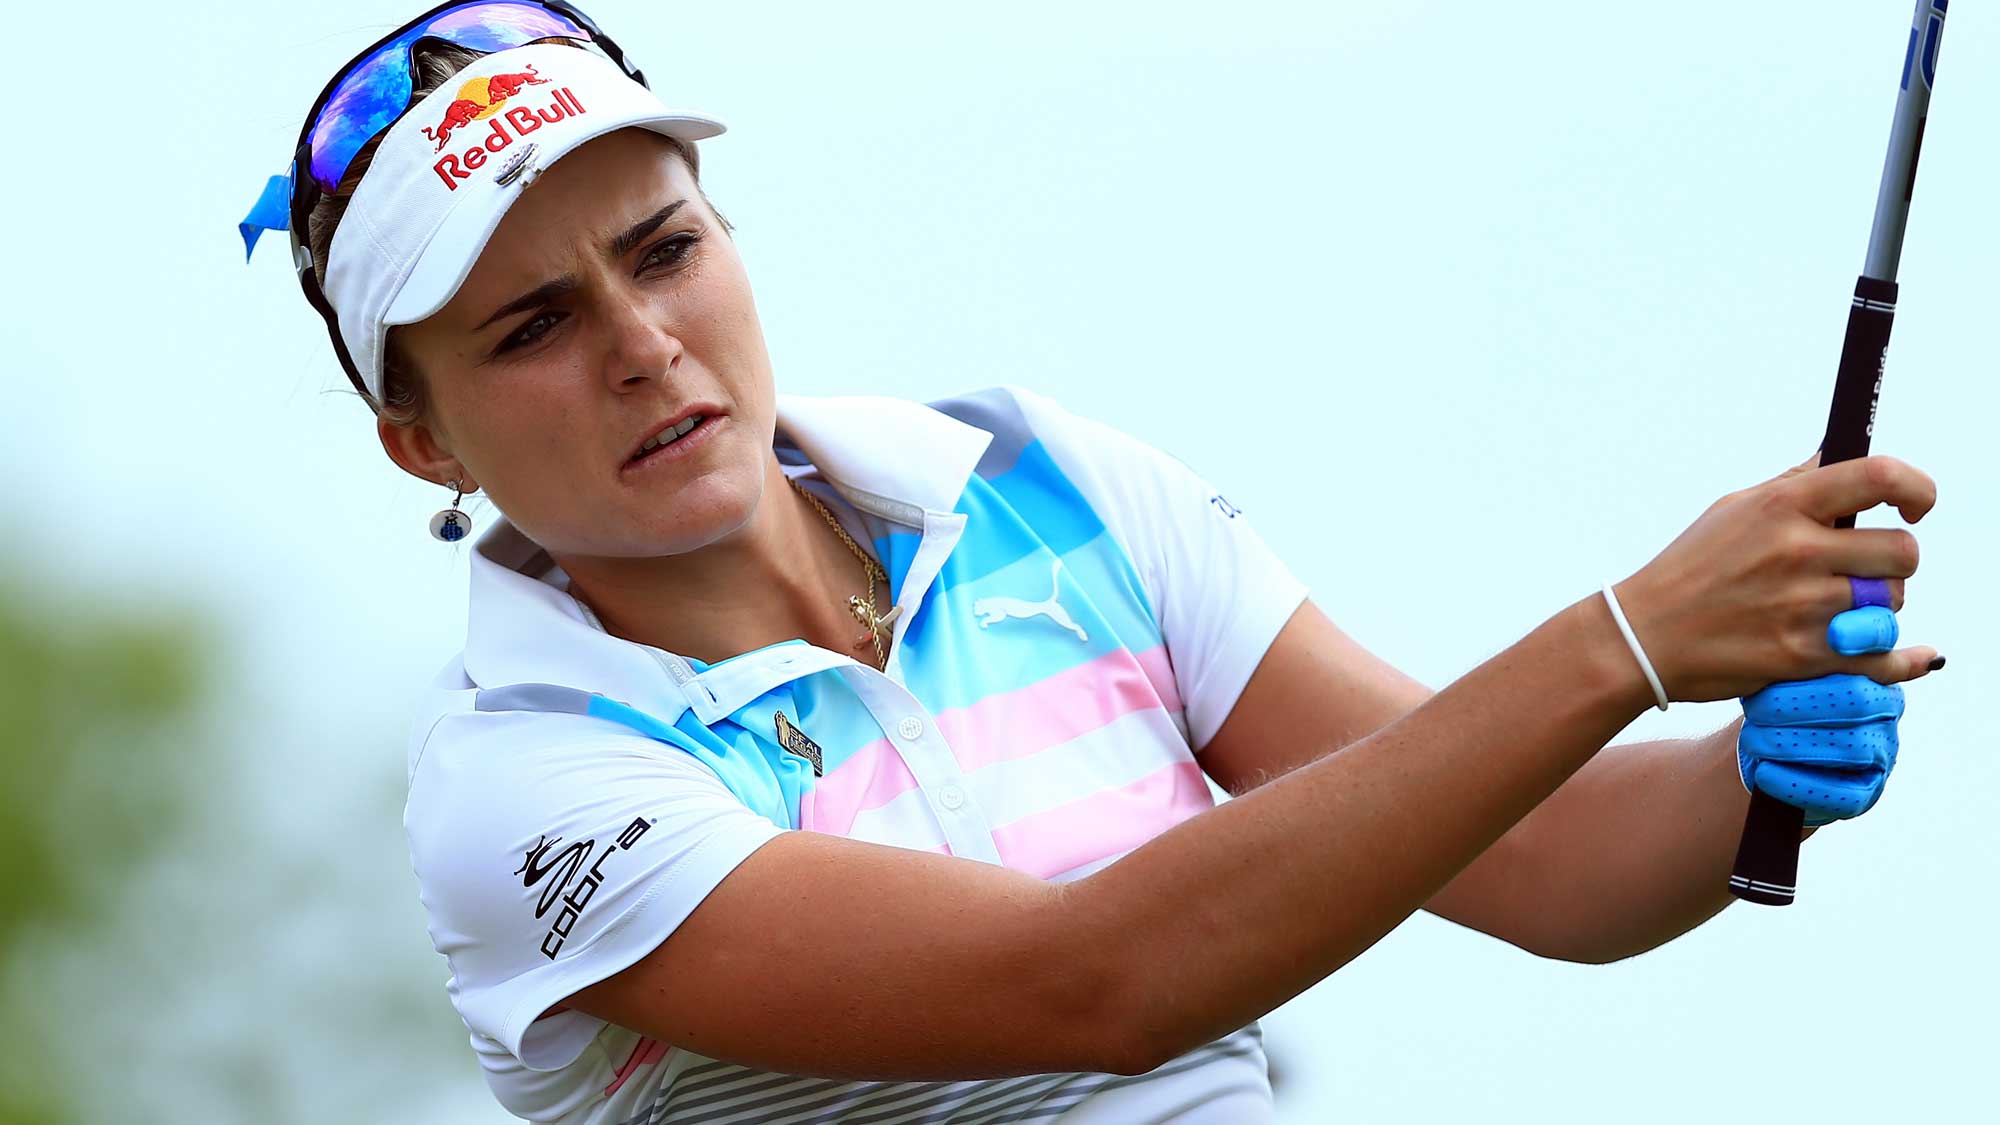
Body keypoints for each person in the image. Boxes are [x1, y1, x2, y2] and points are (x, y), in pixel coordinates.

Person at [239, 4, 1942, 1122]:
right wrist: (1624, 642)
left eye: (664, 248)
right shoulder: (528, 787)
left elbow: (1551, 864)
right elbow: (1097, 981)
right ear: (426, 441)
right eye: (534, 324)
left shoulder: (1040, 484)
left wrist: (1736, 771)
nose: (640, 342)